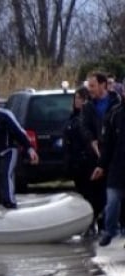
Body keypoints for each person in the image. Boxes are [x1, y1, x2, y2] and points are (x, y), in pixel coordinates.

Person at [63, 86, 105, 235]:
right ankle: (89, 224)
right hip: (75, 163)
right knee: (82, 193)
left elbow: (93, 138)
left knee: (92, 195)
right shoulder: (72, 118)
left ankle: (94, 223)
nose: (77, 101)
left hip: (88, 162)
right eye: (76, 98)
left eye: (81, 98)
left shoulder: (89, 118)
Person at [91, 97, 125, 246]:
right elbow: (108, 144)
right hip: (117, 168)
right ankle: (110, 230)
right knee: (112, 202)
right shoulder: (116, 113)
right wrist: (101, 165)